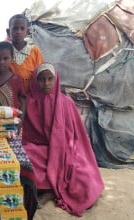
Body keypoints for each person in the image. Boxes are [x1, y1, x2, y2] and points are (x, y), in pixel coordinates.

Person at [22, 63, 104, 216]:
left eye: (49, 79)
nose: (46, 83)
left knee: (83, 180)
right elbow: (26, 135)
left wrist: (61, 151)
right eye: (41, 79)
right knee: (26, 156)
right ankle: (48, 189)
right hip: (40, 149)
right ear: (35, 81)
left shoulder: (66, 103)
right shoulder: (31, 101)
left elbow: (75, 136)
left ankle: (49, 191)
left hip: (65, 148)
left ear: (56, 79)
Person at [0, 41, 26, 113]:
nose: (2, 62)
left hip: (14, 120)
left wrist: (21, 120)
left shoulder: (17, 79)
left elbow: (23, 100)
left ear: (12, 59)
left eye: (5, 58)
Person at [7, 14, 44, 93]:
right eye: (15, 28)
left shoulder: (34, 51)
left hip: (31, 95)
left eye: (22, 28)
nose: (19, 32)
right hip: (10, 95)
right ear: (8, 31)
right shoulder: (5, 50)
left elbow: (41, 73)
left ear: (27, 31)